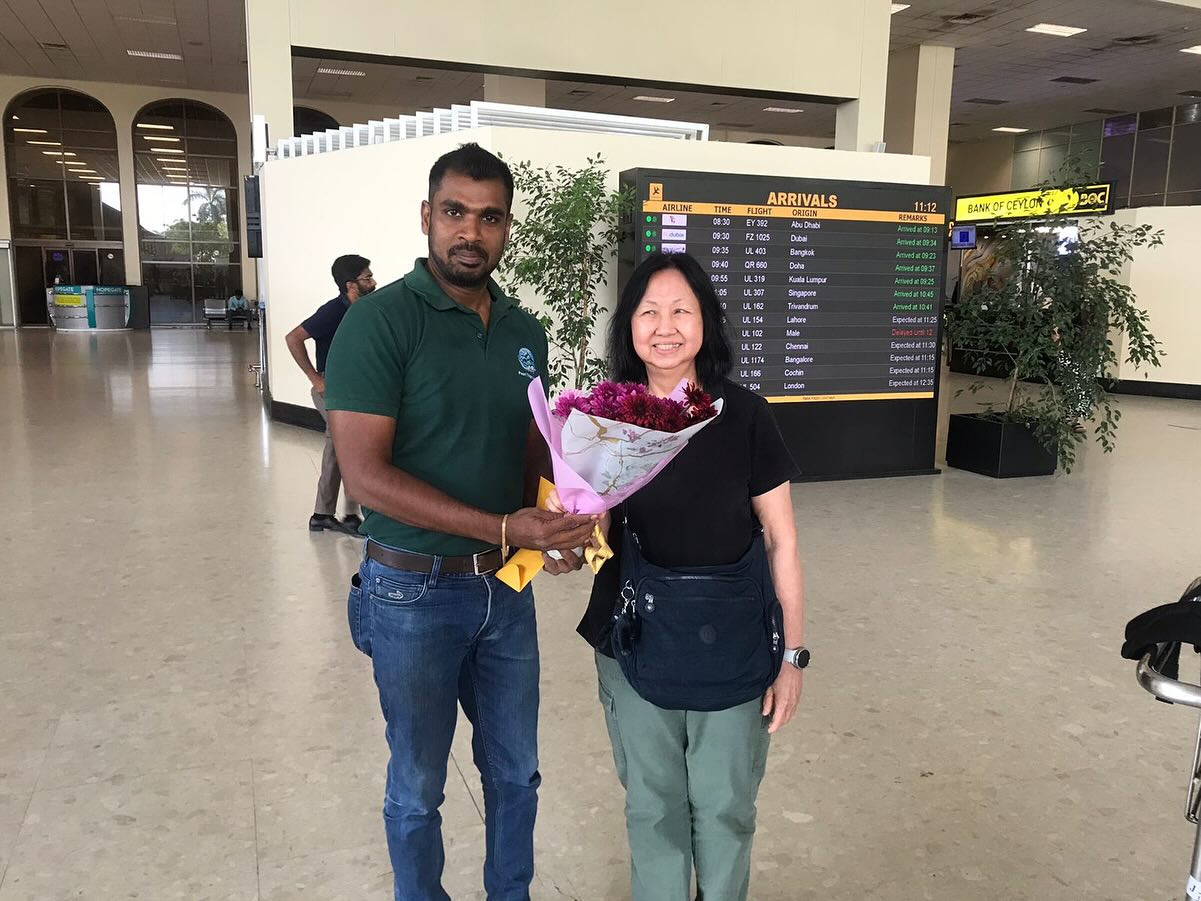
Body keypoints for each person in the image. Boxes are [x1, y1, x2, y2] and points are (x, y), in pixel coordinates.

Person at [322, 143, 599, 901]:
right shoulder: (378, 323)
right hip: (411, 592)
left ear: (506, 227)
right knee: (417, 786)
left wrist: (554, 527)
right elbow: (365, 477)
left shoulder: (525, 331)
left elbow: (531, 453)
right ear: (426, 217)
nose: (470, 232)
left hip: (505, 591)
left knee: (517, 773)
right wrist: (507, 528)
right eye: (454, 212)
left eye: (488, 217)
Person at [548, 251, 807, 901]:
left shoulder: (744, 415)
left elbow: (782, 540)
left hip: (735, 642)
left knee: (724, 808)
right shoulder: (603, 421)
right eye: (649, 312)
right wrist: (565, 543)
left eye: (681, 310)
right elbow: (588, 539)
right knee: (653, 807)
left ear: (705, 322)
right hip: (631, 638)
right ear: (628, 327)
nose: (665, 327)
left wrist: (792, 656)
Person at [285, 255, 376, 535]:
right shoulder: (333, 311)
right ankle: (348, 515)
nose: (373, 282)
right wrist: (315, 378)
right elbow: (293, 337)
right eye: (367, 278)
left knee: (338, 447)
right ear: (351, 285)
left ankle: (327, 515)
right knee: (350, 445)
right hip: (332, 390)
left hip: (355, 390)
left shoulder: (365, 309)